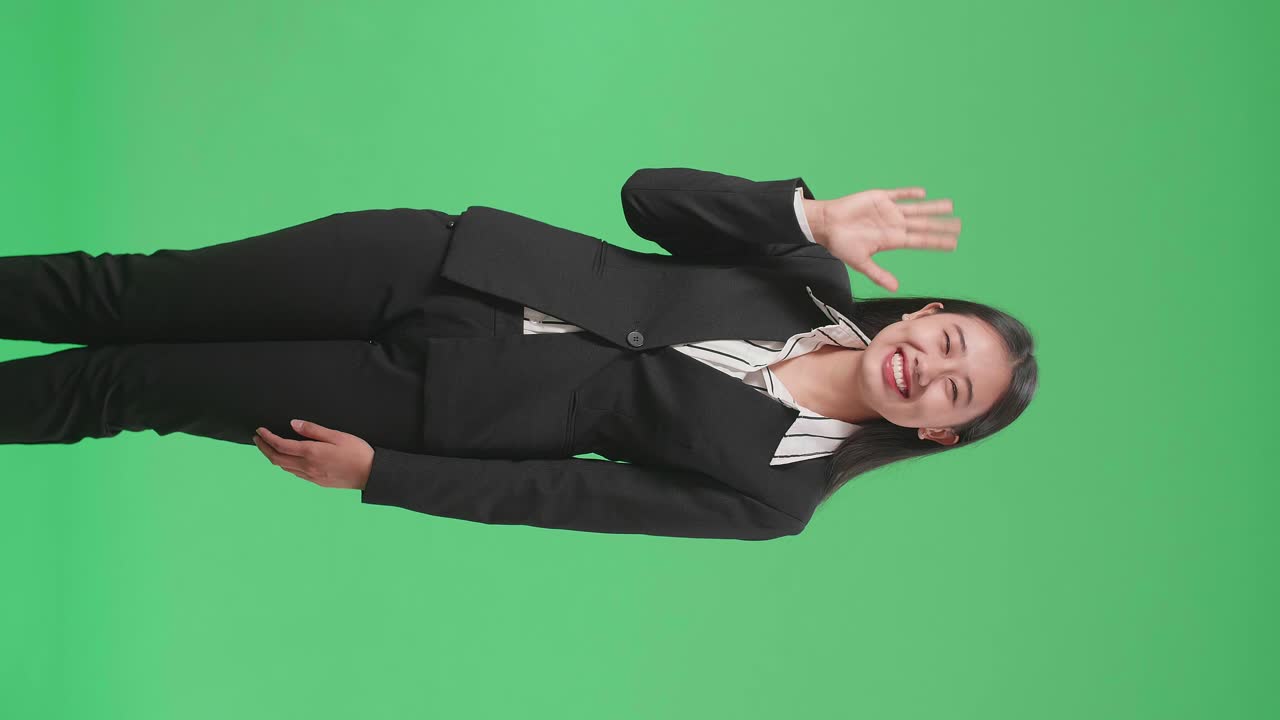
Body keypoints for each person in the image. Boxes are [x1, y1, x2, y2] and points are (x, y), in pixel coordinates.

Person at [0, 167, 1037, 540]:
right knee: (123, 291)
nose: (927, 365)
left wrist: (383, 476)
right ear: (924, 311)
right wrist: (805, 216)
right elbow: (648, 198)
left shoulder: (778, 498)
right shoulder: (805, 271)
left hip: (425, 406)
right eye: (946, 339)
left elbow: (568, 497)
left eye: (954, 390)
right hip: (441, 266)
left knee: (125, 385)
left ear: (938, 433)